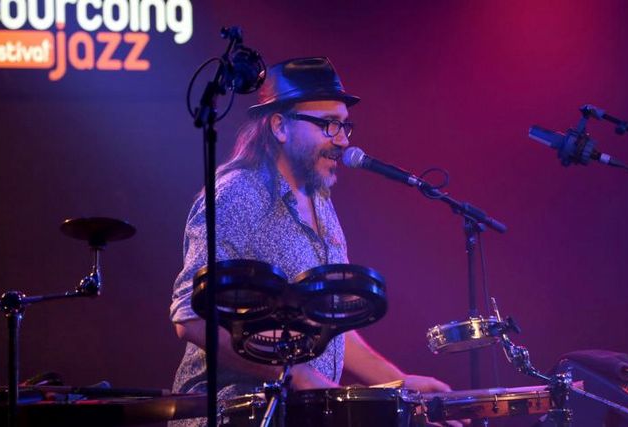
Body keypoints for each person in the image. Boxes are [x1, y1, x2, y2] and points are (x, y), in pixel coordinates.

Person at [169, 57, 459, 426]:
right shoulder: (237, 196)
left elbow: (330, 326)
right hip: (234, 415)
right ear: (279, 126)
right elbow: (191, 318)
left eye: (344, 126)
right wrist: (296, 375)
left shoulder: (321, 201)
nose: (343, 140)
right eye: (328, 125)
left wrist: (396, 384)